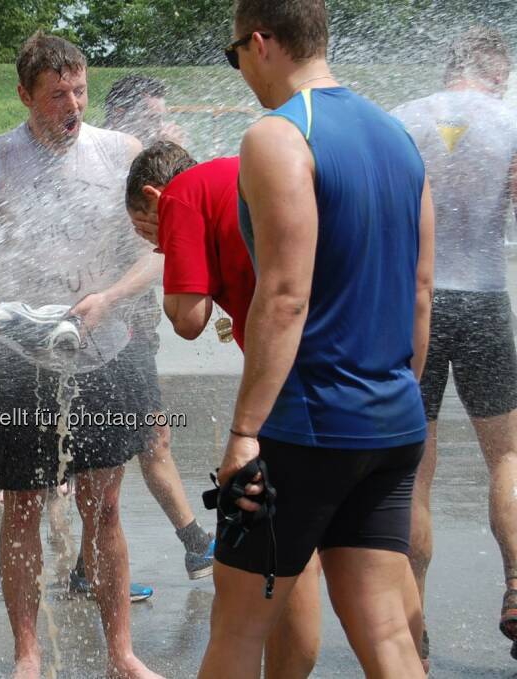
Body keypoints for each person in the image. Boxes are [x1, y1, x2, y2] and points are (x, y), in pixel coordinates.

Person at [197, 1, 435, 677]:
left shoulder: (278, 135)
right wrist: (393, 399)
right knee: (387, 630)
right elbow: (421, 289)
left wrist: (245, 431)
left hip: (303, 428)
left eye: (235, 52)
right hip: (390, 422)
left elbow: (284, 295)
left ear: (263, 42)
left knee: (238, 629)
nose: (239, 68)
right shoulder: (397, 135)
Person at [0, 31, 163, 679]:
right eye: (57, 93)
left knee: (106, 506)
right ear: (25, 94)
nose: (74, 104)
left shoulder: (122, 153)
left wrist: (111, 295)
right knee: (23, 507)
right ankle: (27, 653)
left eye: (81, 89)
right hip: (18, 356)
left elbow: (162, 245)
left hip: (105, 352)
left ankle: (120, 651)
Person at [127, 141, 323, 677]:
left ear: (153, 195)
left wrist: (179, 261)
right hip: (352, 386)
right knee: (328, 570)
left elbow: (189, 319)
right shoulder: (247, 174)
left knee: (245, 582)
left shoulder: (182, 196)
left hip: (293, 390)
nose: (156, 245)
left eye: (149, 231)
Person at [392, 26, 517, 664]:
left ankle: (414, 633)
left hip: (418, 303)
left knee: (416, 469)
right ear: (496, 71)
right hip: (486, 299)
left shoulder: (403, 120)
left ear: (450, 69)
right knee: (508, 458)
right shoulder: (510, 120)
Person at [67, 78, 215, 604]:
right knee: (131, 449)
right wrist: (107, 300)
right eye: (152, 117)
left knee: (138, 445)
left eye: (164, 115)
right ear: (123, 114)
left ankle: (94, 565)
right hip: (111, 329)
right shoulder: (110, 167)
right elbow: (155, 245)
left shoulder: (145, 163)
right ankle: (192, 545)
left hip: (133, 325)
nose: (161, 124)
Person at [104, 74, 188, 146]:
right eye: (152, 118)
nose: (161, 127)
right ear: (119, 115)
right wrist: (172, 150)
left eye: (161, 118)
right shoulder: (106, 150)